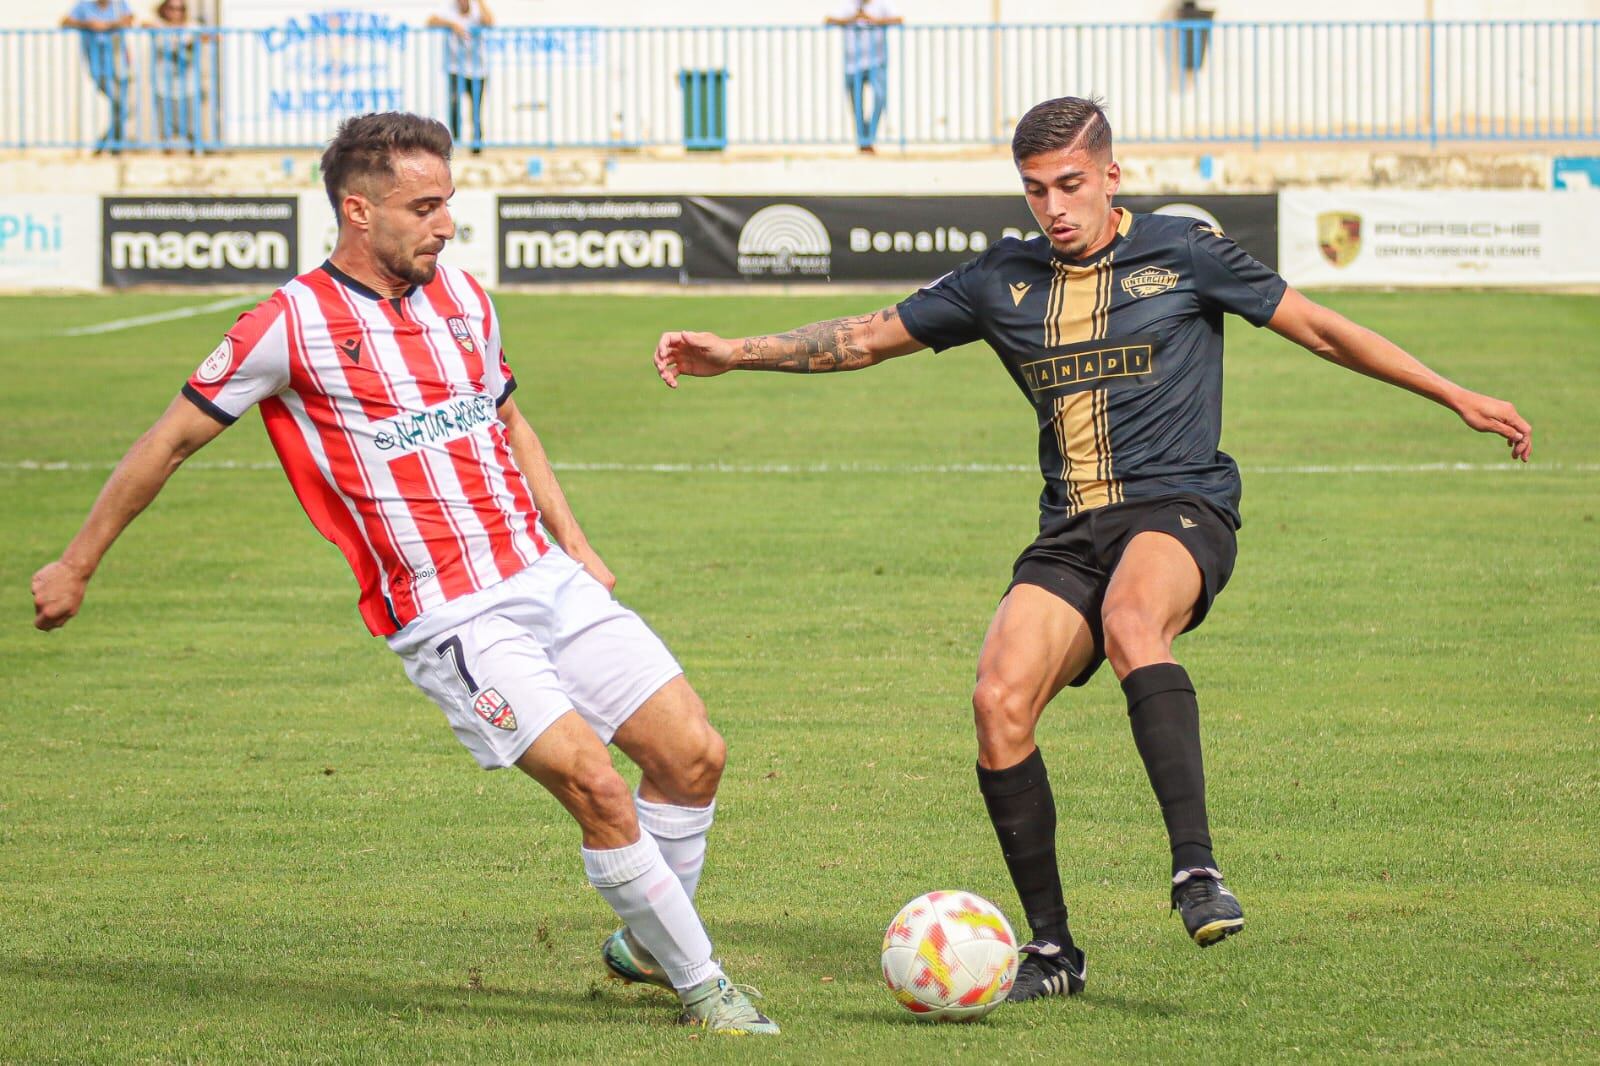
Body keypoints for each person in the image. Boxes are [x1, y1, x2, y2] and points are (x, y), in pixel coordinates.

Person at [652, 96, 1531, 1002]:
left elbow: (1319, 327)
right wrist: (737, 351)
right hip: (1072, 529)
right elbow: (868, 336)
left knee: (1131, 620)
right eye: (1035, 190)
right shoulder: (1004, 277)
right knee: (997, 699)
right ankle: (1053, 952)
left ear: (1112, 176)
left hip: (1182, 506)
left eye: (1070, 184)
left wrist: (1453, 393)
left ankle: (1196, 869)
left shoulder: (1183, 252)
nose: (1054, 207)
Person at [31, 111, 778, 1037]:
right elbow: (168, 441)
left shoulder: (463, 298)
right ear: (358, 211)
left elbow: (508, 423)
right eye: (424, 208)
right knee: (598, 786)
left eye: (448, 203)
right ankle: (707, 988)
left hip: (543, 573)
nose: (445, 224)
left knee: (695, 754)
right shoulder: (288, 324)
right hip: (448, 613)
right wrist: (77, 562)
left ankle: (646, 946)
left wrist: (576, 544)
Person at [824, 0, 900, 154]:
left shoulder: (881, 5)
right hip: (853, 64)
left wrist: (874, 20)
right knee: (856, 104)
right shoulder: (848, 5)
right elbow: (828, 20)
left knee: (880, 97)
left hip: (876, 61)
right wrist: (853, 19)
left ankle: (868, 137)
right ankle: (863, 140)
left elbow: (899, 19)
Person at [62, 0, 134, 155]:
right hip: (98, 67)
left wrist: (107, 26)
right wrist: (89, 25)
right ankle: (109, 147)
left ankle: (107, 147)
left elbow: (129, 20)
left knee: (122, 107)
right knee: (122, 106)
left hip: (119, 64)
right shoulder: (84, 5)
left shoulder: (118, 4)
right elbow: (65, 22)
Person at [428, 0, 493, 154]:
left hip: (478, 69)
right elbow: (430, 21)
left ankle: (477, 145)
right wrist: (451, 24)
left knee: (476, 110)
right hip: (456, 67)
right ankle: (455, 140)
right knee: (454, 104)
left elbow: (490, 21)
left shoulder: (478, 8)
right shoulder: (448, 8)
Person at [145, 0, 204, 153]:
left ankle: (194, 159)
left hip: (188, 85)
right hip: (163, 85)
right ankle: (168, 159)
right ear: (164, 9)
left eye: (180, 9)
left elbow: (211, 36)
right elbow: (142, 23)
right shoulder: (158, 26)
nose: (176, 12)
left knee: (191, 127)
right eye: (172, 8)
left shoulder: (192, 27)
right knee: (166, 130)